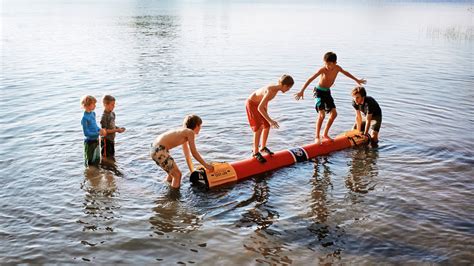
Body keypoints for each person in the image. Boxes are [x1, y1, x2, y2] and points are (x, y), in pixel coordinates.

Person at [294, 52, 366, 143]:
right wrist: (302, 91)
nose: (327, 66)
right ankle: (317, 136)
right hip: (319, 92)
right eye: (326, 63)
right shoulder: (322, 70)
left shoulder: (337, 68)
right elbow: (310, 79)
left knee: (334, 114)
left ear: (335, 63)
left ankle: (325, 134)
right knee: (322, 114)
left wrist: (357, 80)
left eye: (329, 64)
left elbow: (346, 73)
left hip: (327, 92)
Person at [151, 114, 214, 189]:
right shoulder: (190, 132)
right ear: (197, 125)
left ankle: (166, 190)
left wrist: (192, 172)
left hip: (155, 149)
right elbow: (194, 153)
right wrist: (206, 165)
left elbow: (187, 156)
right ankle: (173, 197)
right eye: (200, 126)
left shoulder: (184, 133)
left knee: (172, 175)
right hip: (160, 150)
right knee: (177, 175)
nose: (200, 128)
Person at [246, 74, 294, 163]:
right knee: (259, 127)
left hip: (259, 104)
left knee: (266, 125)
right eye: (288, 88)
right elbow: (259, 107)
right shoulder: (270, 90)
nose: (288, 90)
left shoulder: (275, 90)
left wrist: (267, 119)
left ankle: (263, 147)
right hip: (252, 104)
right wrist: (270, 120)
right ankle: (255, 152)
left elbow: (264, 103)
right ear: (284, 85)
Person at [81, 95, 106, 167]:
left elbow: (94, 126)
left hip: (96, 139)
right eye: (93, 104)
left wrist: (100, 129)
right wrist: (98, 133)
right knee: (90, 161)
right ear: (87, 105)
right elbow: (86, 133)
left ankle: (95, 175)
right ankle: (90, 173)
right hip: (89, 142)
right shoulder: (84, 118)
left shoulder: (93, 113)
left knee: (97, 159)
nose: (95, 106)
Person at [100, 95, 126, 160]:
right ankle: (105, 168)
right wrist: (117, 130)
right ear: (105, 104)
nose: (114, 106)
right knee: (105, 157)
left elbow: (112, 126)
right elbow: (105, 131)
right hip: (106, 140)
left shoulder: (112, 114)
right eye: (112, 104)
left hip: (112, 139)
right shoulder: (104, 117)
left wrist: (119, 128)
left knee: (112, 156)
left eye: (114, 104)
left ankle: (111, 168)